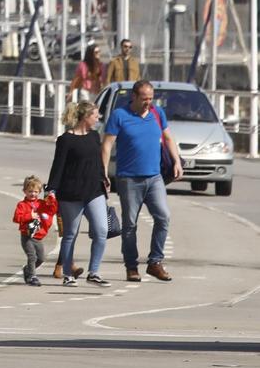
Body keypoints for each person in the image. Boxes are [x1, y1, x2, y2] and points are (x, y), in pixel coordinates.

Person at [102, 76, 182, 282]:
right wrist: (103, 172)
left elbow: (168, 137)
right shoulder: (119, 115)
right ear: (134, 97)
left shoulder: (157, 113)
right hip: (128, 179)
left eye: (151, 98)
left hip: (154, 177)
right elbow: (107, 144)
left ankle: (155, 262)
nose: (149, 102)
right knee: (130, 224)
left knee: (163, 217)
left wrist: (176, 161)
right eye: (145, 98)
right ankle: (131, 266)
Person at [47, 101, 110, 288]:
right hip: (71, 194)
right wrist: (52, 190)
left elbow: (97, 162)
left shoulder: (94, 136)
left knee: (101, 231)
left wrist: (104, 179)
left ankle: (94, 272)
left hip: (94, 191)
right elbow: (58, 167)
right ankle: (68, 274)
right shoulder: (66, 140)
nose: (98, 118)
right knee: (70, 235)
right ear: (85, 117)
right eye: (95, 115)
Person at [12, 175, 58, 285]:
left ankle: (27, 269)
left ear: (39, 192)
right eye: (30, 191)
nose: (33, 194)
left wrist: (52, 199)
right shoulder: (22, 205)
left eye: (36, 192)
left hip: (38, 237)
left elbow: (52, 210)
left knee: (41, 258)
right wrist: (29, 216)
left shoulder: (41, 203)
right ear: (24, 191)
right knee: (32, 256)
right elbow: (16, 218)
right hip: (27, 236)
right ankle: (32, 276)